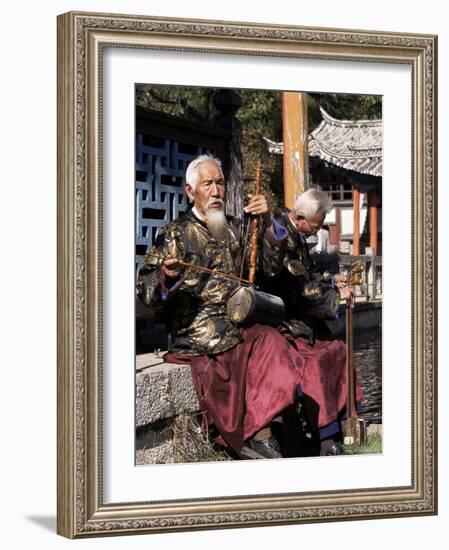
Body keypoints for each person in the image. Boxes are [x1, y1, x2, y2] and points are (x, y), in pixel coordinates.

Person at [137, 154, 305, 460]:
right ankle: (257, 436)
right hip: (199, 334)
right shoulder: (175, 233)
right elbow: (146, 292)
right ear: (190, 191)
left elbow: (270, 268)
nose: (216, 191)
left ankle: (260, 432)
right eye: (207, 185)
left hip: (238, 325)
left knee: (276, 344)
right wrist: (167, 275)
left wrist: (267, 223)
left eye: (220, 183)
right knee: (242, 352)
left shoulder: (233, 228)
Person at [263, 188, 363, 455]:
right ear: (299, 217)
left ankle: (343, 430)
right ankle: (325, 441)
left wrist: (331, 281)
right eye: (314, 227)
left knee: (339, 351)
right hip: (280, 320)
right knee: (317, 363)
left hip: (299, 317)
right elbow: (299, 287)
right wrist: (335, 296)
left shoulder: (296, 232)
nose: (314, 232)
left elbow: (307, 274)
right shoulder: (279, 234)